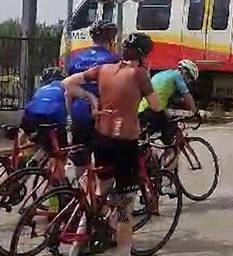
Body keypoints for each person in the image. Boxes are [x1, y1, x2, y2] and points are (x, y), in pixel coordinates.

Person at [62, 32, 164, 256]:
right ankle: (124, 251)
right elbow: (156, 107)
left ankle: (76, 246)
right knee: (125, 205)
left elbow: (67, 83)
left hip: (102, 140)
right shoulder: (140, 74)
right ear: (143, 55)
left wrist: (92, 99)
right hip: (125, 145)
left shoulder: (104, 69)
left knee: (100, 190)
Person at [66, 20, 119, 178]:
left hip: (79, 114)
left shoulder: (77, 59)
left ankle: (79, 195)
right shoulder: (114, 60)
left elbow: (69, 90)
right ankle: (100, 196)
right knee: (106, 165)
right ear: (111, 40)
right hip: (102, 116)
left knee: (81, 161)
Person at [138, 59, 199, 174]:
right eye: (190, 78)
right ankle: (166, 178)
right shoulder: (177, 76)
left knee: (148, 140)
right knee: (173, 145)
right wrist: (196, 112)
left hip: (142, 110)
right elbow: (187, 97)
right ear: (185, 72)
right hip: (155, 112)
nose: (189, 82)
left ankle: (151, 164)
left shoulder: (163, 74)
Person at [21, 67, 69, 155]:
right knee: (60, 151)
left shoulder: (41, 89)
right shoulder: (65, 87)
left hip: (29, 118)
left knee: (34, 137)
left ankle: (24, 156)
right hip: (53, 119)